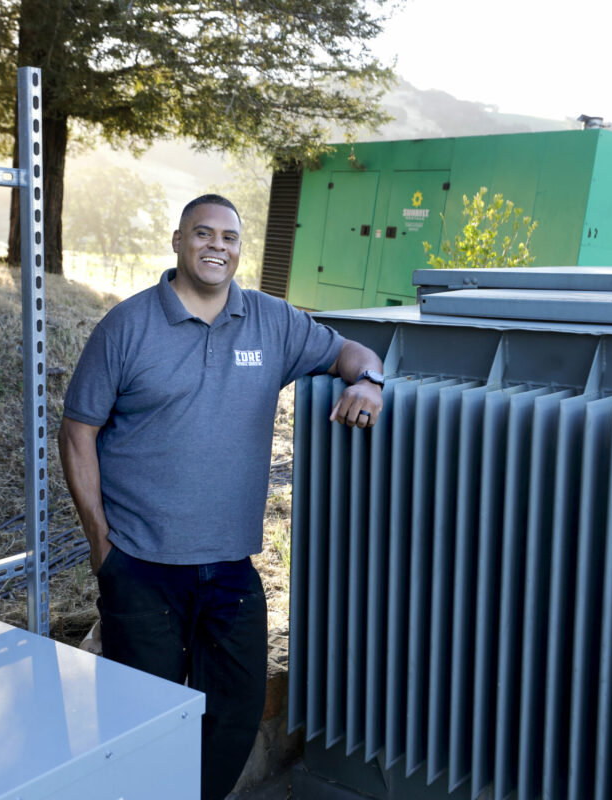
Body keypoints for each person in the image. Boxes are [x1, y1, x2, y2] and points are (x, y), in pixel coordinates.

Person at [58, 194, 384, 799]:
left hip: (230, 566)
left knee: (234, 711)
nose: (217, 246)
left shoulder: (271, 321)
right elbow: (78, 432)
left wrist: (368, 380)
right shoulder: (127, 326)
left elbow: (349, 352)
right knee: (141, 720)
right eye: (203, 234)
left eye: (229, 238)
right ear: (178, 241)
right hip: (142, 566)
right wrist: (104, 548)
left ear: (240, 250)